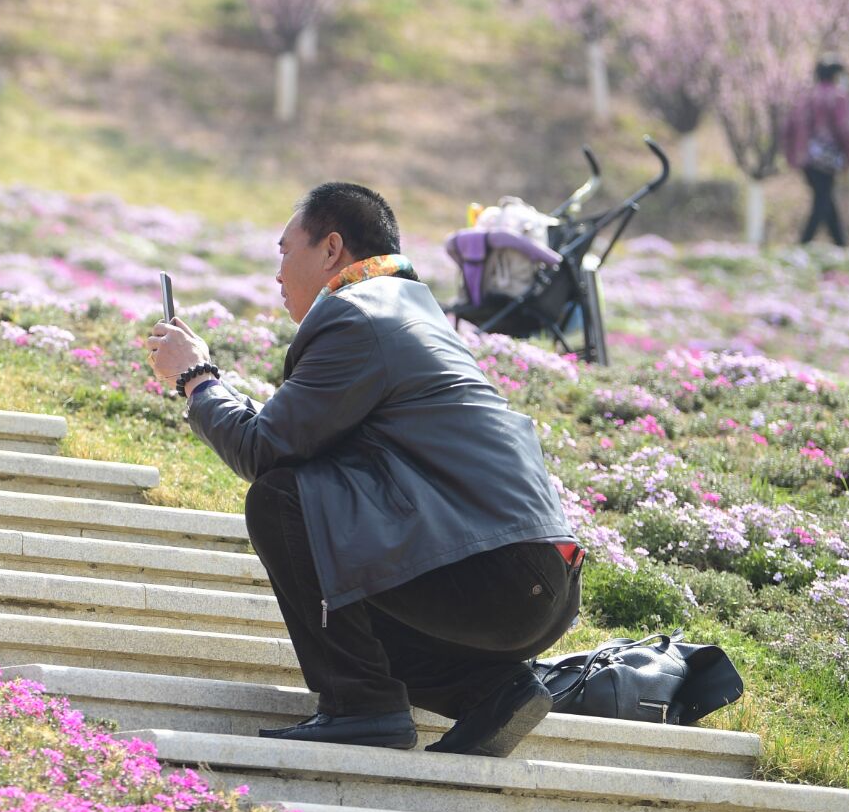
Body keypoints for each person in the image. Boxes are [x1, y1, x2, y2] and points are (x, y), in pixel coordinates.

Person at [143, 183, 580, 756]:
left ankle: (360, 706)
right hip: (529, 577)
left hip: (493, 571)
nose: (277, 275)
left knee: (283, 499)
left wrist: (196, 378)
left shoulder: (356, 315)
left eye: (284, 252)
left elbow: (264, 452)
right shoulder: (402, 308)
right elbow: (287, 437)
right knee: (322, 514)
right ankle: (493, 691)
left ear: (330, 250)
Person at [783, 55, 849, 248]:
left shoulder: (805, 97)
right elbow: (846, 129)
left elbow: (788, 128)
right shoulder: (838, 97)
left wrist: (792, 155)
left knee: (824, 197)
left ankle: (840, 243)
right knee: (822, 199)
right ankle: (804, 242)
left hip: (805, 158)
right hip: (827, 158)